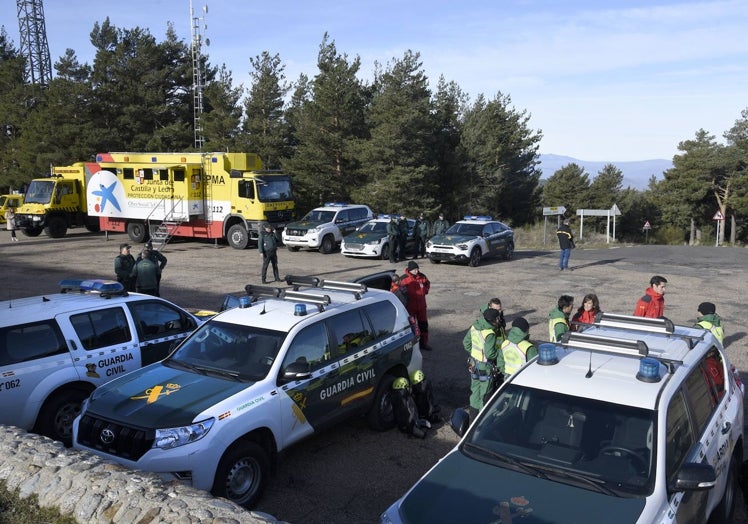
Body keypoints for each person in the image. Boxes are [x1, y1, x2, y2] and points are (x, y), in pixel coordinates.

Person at [464, 308, 505, 418]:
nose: (498, 321)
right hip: (484, 367)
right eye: (497, 319)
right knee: (485, 396)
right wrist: (501, 352)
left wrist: (474, 354)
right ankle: (481, 422)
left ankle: (472, 420)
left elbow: (466, 343)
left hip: (474, 364)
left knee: (475, 394)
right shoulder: (489, 333)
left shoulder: (474, 326)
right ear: (493, 320)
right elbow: (490, 354)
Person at [401, 261, 431, 350]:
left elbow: (427, 284)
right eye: (414, 269)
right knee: (412, 328)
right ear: (410, 270)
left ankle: (424, 344)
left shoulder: (422, 276)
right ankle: (413, 347)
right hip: (410, 307)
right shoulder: (403, 279)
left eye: (417, 269)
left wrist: (425, 290)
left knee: (423, 326)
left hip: (421, 307)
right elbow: (397, 290)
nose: (416, 271)